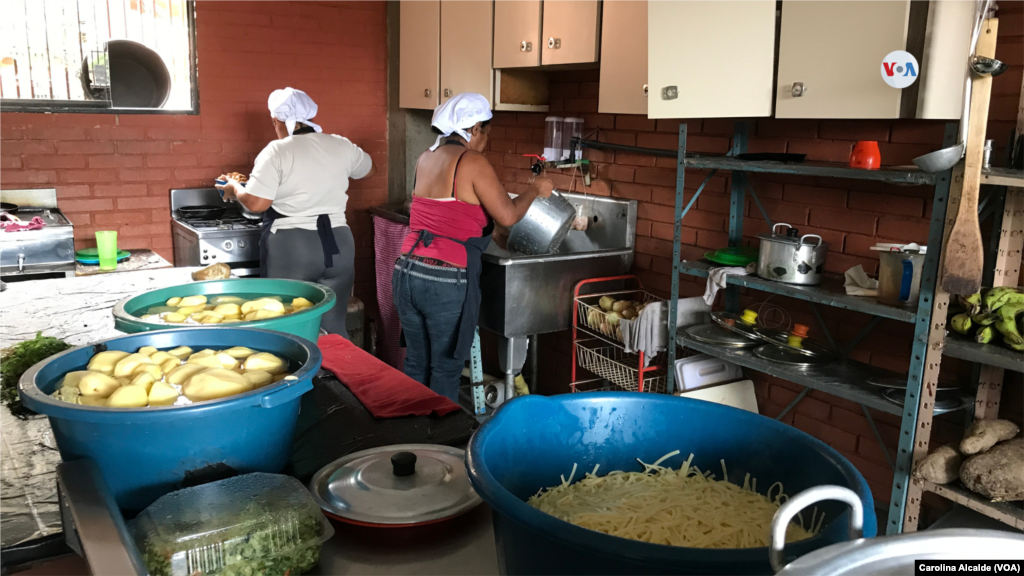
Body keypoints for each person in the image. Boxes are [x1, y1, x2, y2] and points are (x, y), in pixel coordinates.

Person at [393, 93, 553, 402]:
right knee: (444, 368)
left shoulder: (426, 156)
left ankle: (410, 441)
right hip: (444, 279)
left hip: (406, 271)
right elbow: (508, 215)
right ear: (476, 128)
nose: (486, 141)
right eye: (486, 133)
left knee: (416, 363)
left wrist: (483, 228)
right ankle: (439, 448)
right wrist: (535, 189)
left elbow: (444, 211)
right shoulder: (472, 161)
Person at [216, 87, 375, 337]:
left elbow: (257, 204)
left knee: (287, 325)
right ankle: (335, 375)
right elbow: (368, 170)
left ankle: (302, 376)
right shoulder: (341, 144)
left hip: (294, 245)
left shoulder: (277, 151)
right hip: (339, 243)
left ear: (276, 119)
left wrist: (234, 188)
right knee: (334, 326)